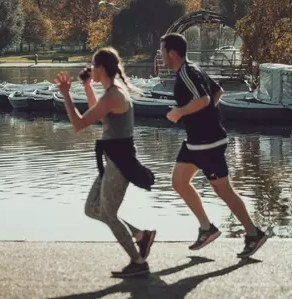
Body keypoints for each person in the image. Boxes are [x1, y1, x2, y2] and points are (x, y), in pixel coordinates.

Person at [160, 33, 268, 258]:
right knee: (179, 182)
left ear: (172, 53)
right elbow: (218, 91)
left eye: (162, 52)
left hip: (208, 142)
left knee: (223, 190)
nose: (161, 57)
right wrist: (203, 118)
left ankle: (253, 233)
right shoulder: (191, 69)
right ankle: (206, 228)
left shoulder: (187, 73)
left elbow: (205, 99)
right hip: (195, 142)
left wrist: (180, 112)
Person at [53, 47, 157, 277]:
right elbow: (97, 113)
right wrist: (88, 86)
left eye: (93, 65)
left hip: (120, 163)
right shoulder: (111, 93)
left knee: (109, 214)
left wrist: (66, 94)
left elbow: (80, 124)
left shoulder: (114, 95)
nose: (90, 69)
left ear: (100, 68)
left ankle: (139, 262)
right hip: (112, 160)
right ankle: (141, 236)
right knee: (92, 209)